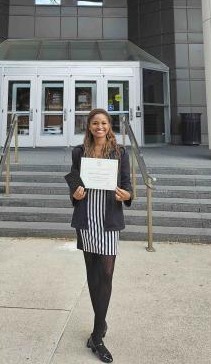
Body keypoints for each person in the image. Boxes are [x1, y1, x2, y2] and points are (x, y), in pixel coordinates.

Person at [68, 108, 133, 363]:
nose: (99, 127)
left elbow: (127, 186)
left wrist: (126, 195)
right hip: (87, 219)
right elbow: (74, 183)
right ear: (89, 126)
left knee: (106, 274)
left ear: (109, 126)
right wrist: (75, 193)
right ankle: (99, 330)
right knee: (93, 276)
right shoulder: (79, 152)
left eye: (104, 123)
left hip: (108, 220)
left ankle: (97, 333)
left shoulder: (119, 152)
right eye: (95, 123)